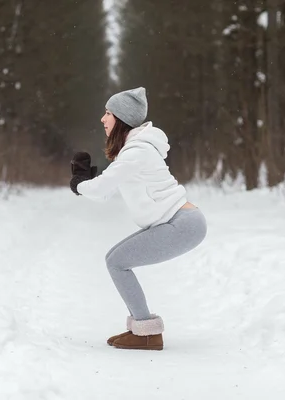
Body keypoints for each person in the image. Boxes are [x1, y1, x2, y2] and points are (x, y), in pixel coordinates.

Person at [69, 87, 207, 350]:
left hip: (183, 224)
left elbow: (101, 188)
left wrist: (79, 184)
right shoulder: (133, 150)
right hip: (180, 222)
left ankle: (146, 333)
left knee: (117, 262)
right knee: (115, 260)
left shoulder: (137, 152)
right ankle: (143, 330)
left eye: (107, 113)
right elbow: (104, 192)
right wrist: (85, 183)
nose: (102, 119)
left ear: (121, 119)